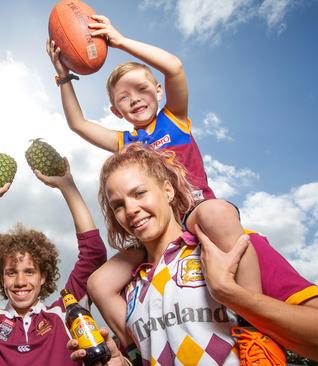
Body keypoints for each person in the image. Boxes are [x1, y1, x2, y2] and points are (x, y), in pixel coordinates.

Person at [46, 14, 262, 327]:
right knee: (99, 284)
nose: (134, 99)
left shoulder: (173, 118)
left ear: (158, 91)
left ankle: (256, 324)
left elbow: (174, 66)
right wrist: (64, 76)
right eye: (124, 97)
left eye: (141, 89)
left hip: (192, 213)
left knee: (218, 214)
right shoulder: (127, 142)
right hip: (152, 229)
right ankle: (140, 349)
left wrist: (119, 41)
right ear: (115, 111)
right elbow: (78, 124)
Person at [73, 143, 318, 365]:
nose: (130, 209)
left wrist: (231, 293)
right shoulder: (131, 285)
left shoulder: (230, 246)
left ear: (167, 190)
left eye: (140, 193)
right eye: (118, 205)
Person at [0, 158, 107, 365]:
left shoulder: (65, 315)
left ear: (43, 277)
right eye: (11, 272)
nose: (20, 281)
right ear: (1, 279)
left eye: (29, 271)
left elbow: (93, 254)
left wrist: (67, 186)